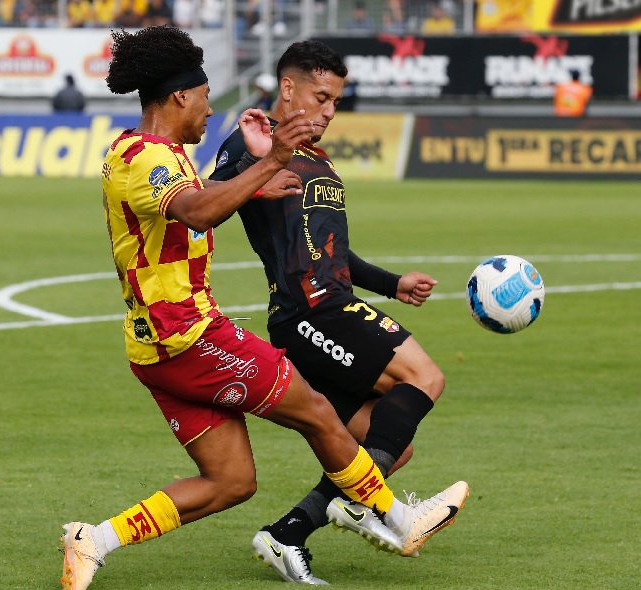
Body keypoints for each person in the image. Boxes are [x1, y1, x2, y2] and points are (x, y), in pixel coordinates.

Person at [59, 26, 467, 590]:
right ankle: (397, 518)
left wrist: (257, 180)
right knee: (320, 415)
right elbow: (196, 210)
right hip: (194, 336)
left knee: (231, 481)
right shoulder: (144, 156)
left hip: (159, 348)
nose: (209, 108)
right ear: (180, 96)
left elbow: (201, 203)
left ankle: (93, 540)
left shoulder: (160, 156)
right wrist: (272, 158)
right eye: (205, 96)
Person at [210, 40, 468, 584]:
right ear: (288, 88)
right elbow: (209, 197)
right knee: (425, 376)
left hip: (332, 306)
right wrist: (258, 167)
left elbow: (334, 252)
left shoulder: (317, 159)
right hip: (310, 312)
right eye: (321, 97)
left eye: (335, 102)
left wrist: (392, 283)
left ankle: (287, 533)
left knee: (389, 447)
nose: (329, 111)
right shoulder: (252, 142)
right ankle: (356, 507)